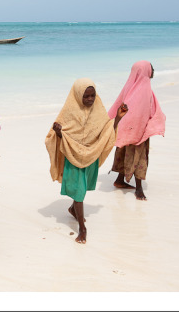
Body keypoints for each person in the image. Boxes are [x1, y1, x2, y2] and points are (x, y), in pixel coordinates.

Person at [45, 78, 127, 244]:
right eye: (86, 96)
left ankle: (73, 209)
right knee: (79, 192)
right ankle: (82, 228)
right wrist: (59, 133)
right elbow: (54, 135)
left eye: (92, 95)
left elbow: (106, 130)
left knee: (80, 190)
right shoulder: (69, 112)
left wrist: (118, 118)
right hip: (73, 157)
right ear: (77, 96)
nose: (90, 99)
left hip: (90, 156)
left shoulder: (98, 109)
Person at [108, 61, 166, 201]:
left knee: (123, 153)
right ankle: (139, 189)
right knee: (139, 157)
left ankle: (120, 179)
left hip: (125, 130)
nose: (153, 70)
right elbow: (145, 111)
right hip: (138, 132)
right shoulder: (144, 89)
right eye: (151, 68)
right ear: (145, 71)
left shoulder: (129, 87)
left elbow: (119, 106)